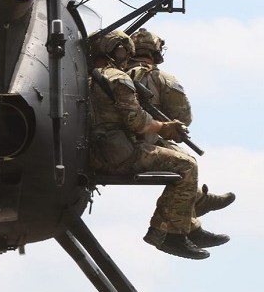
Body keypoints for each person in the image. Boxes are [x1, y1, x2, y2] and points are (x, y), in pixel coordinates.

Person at [87, 30, 216, 260]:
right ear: (118, 51)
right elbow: (135, 121)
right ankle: (168, 235)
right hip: (121, 155)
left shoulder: (82, 77)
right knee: (187, 165)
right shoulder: (117, 77)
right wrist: (164, 127)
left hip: (93, 155)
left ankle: (188, 227)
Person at [127, 28, 235, 247]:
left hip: (120, 143)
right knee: (186, 165)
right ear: (156, 52)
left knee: (180, 154)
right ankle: (172, 230)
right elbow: (183, 118)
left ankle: (193, 223)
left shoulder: (109, 76)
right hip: (135, 147)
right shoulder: (160, 78)